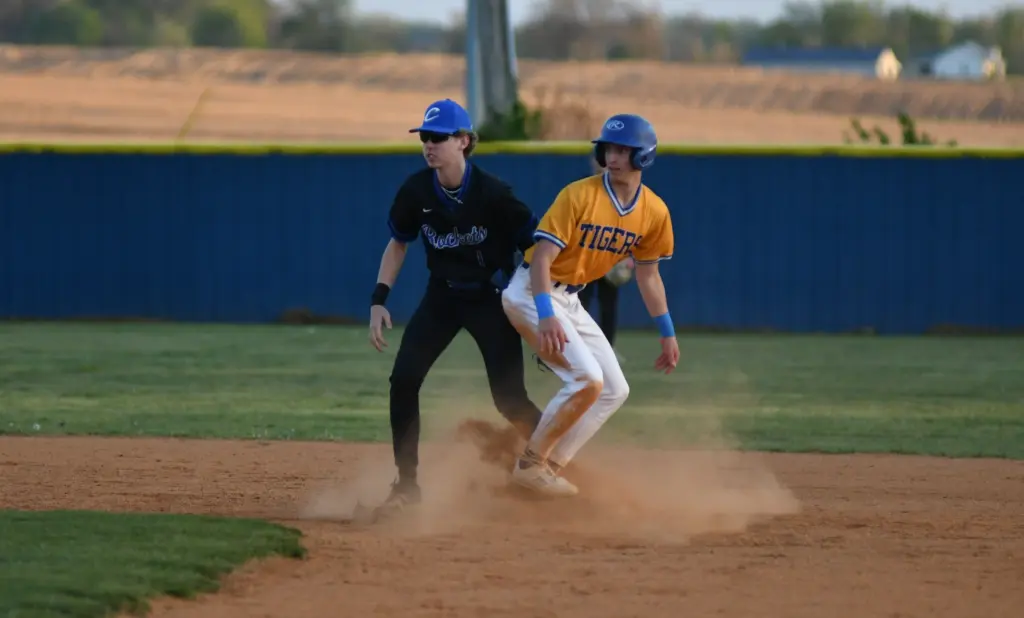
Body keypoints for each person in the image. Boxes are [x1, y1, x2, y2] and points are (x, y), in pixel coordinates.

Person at [367, 98, 545, 513]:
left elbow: (538, 249)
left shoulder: (494, 194)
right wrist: (379, 299)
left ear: (464, 141)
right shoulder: (416, 191)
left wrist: (544, 311)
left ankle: (552, 462)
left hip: (491, 298)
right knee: (404, 380)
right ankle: (406, 486)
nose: (428, 145)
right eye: (424, 138)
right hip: (443, 297)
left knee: (509, 400)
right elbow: (398, 244)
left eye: (438, 137)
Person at [500, 113, 679, 497]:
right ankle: (530, 464)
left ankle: (549, 467)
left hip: (569, 299)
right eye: (608, 149)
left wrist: (667, 332)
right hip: (532, 292)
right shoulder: (578, 195)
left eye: (623, 150)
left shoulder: (654, 212)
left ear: (644, 156)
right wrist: (546, 315)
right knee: (588, 379)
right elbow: (543, 258)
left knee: (615, 389)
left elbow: (649, 276)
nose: (612, 157)